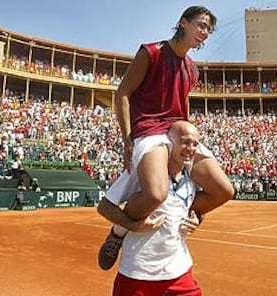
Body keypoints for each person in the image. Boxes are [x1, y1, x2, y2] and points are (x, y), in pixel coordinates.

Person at [99, 5, 235, 270]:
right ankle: (118, 232)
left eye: (208, 29)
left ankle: (186, 214)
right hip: (148, 129)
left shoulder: (192, 70)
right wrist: (128, 139)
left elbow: (181, 108)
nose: (205, 33)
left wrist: (188, 137)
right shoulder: (151, 52)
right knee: (156, 193)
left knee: (225, 190)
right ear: (183, 22)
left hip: (175, 130)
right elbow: (123, 94)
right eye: (201, 25)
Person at [97, 121, 208, 295]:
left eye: (195, 144)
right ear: (168, 143)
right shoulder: (142, 171)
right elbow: (104, 207)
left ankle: (119, 231)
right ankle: (117, 233)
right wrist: (133, 225)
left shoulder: (193, 175)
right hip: (138, 273)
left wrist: (198, 219)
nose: (191, 148)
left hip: (179, 270)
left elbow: (192, 207)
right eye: (185, 142)